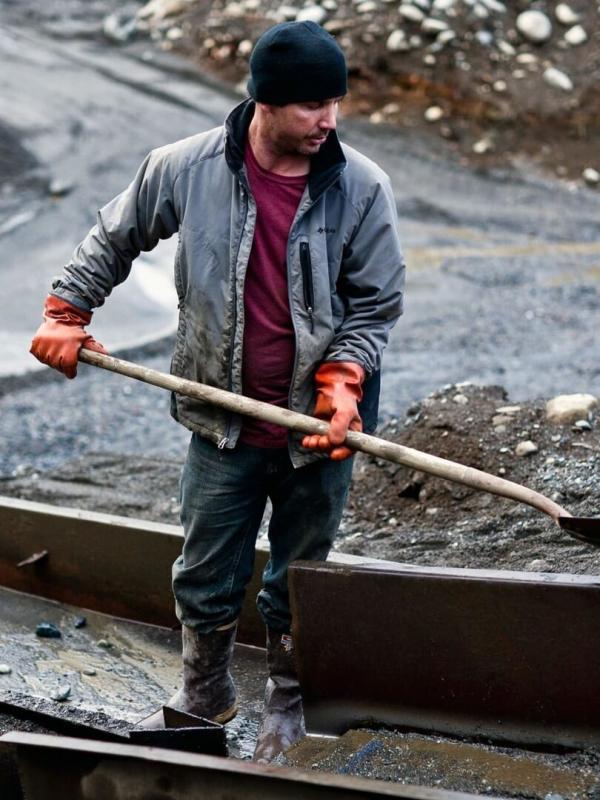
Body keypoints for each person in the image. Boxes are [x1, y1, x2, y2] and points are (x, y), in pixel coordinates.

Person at [30, 21, 405, 762]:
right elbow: (114, 236)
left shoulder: (361, 186)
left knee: (300, 574)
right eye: (312, 105)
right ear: (265, 102)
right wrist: (67, 311)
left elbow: (376, 302)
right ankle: (205, 692)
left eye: (335, 102)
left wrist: (343, 379)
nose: (329, 120)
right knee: (204, 572)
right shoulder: (186, 167)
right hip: (221, 417)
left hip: (319, 425)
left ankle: (288, 699)